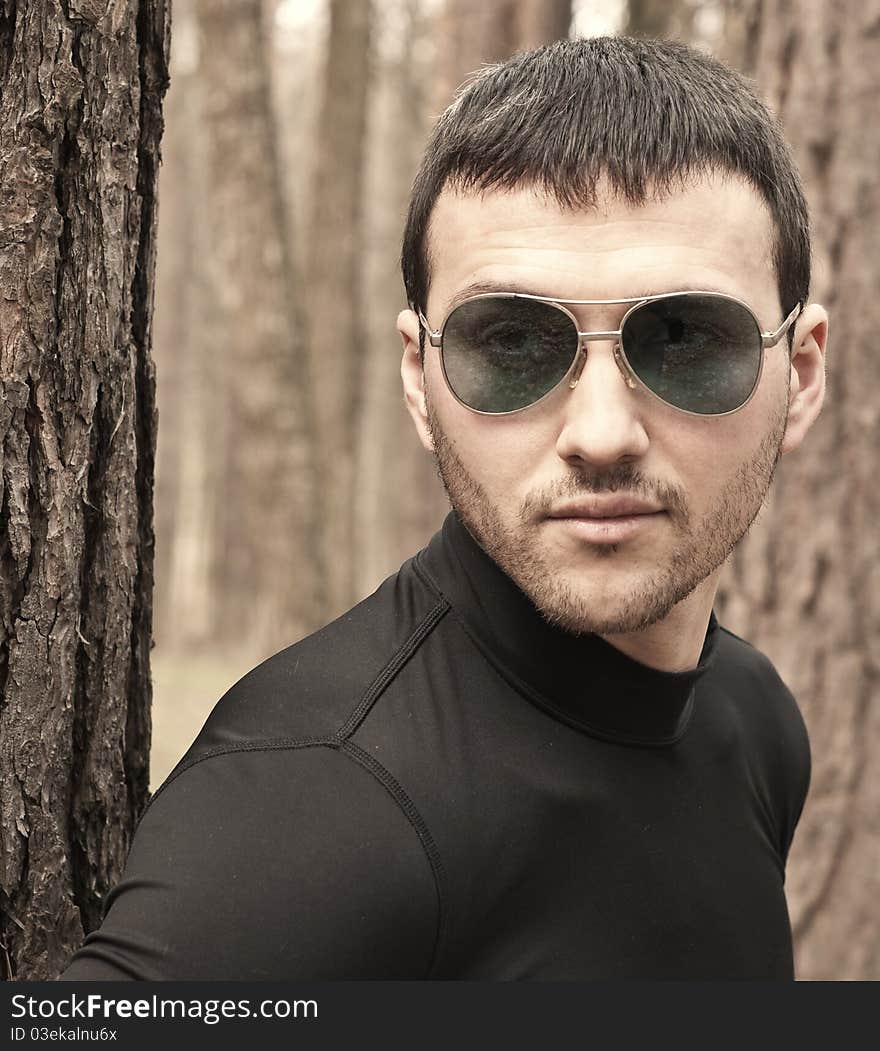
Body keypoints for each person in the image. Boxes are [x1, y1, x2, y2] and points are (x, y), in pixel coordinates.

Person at [62, 35, 827, 981]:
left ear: (799, 373)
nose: (600, 433)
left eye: (684, 339)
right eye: (510, 343)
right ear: (420, 383)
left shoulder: (753, 724)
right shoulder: (316, 805)